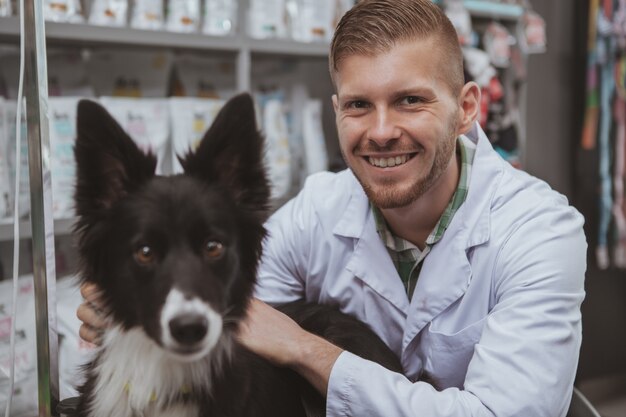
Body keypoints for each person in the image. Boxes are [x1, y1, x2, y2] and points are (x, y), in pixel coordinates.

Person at [78, 0, 587, 415]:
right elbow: (234, 317)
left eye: (411, 100)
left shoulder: (540, 233)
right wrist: (131, 306)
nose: (382, 131)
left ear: (467, 108)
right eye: (359, 105)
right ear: (337, 110)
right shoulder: (317, 211)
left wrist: (308, 350)